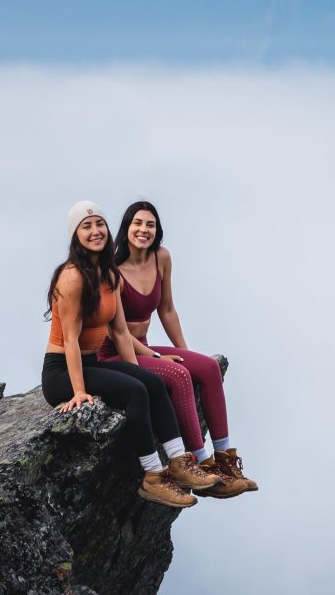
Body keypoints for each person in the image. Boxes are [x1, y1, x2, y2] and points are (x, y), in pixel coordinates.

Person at [42, 200, 220, 508]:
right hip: (61, 373)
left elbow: (122, 332)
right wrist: (80, 391)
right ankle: (153, 477)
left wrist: (138, 367)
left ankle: (180, 463)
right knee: (135, 392)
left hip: (92, 361)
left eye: (100, 224)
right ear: (75, 235)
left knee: (148, 381)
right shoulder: (71, 278)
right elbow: (70, 339)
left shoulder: (109, 275)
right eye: (87, 226)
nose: (96, 231)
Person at [100, 200, 258, 498]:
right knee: (177, 375)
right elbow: (114, 329)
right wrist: (156, 357)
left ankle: (225, 460)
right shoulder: (112, 271)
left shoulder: (161, 258)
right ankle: (200, 464)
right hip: (115, 352)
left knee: (208, 368)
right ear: (126, 228)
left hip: (144, 345)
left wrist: (188, 355)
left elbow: (167, 308)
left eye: (150, 224)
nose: (143, 230)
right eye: (137, 223)